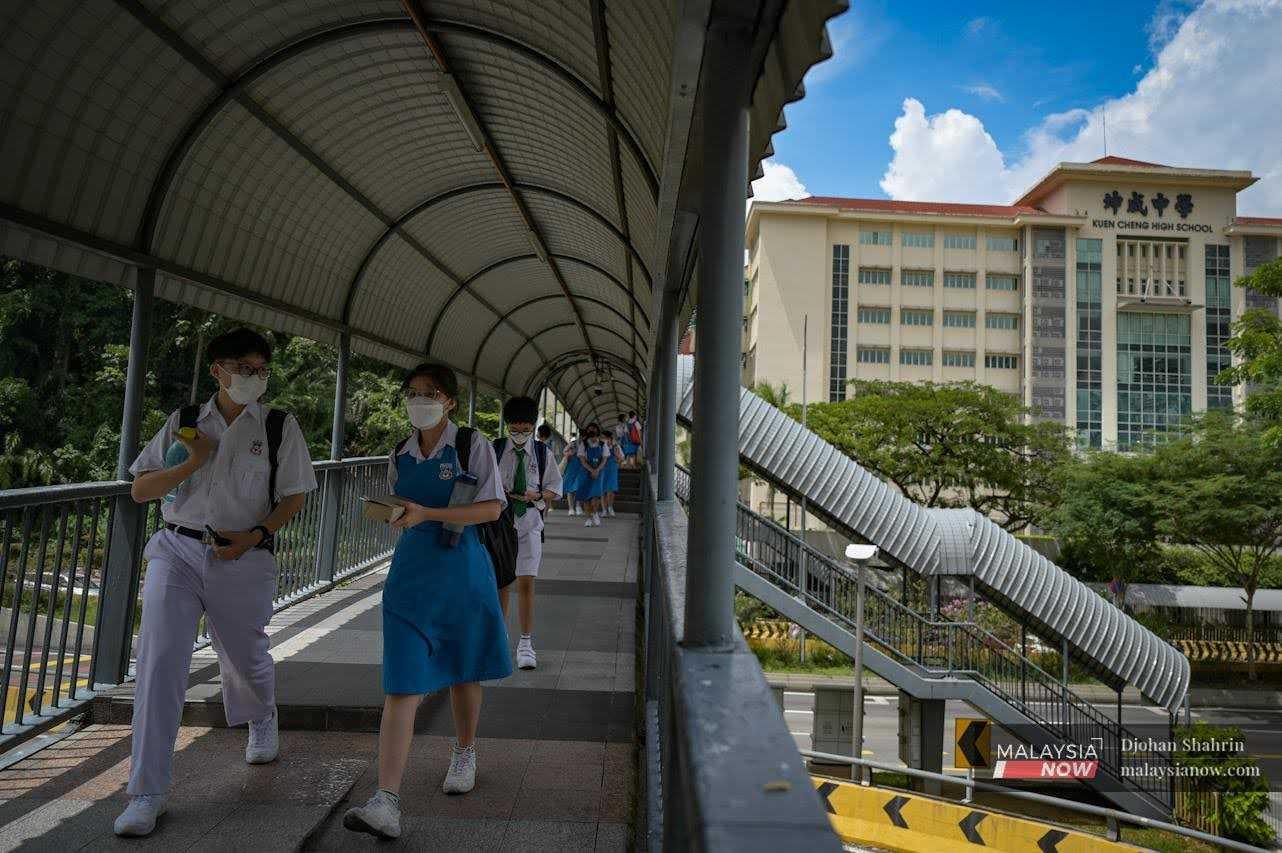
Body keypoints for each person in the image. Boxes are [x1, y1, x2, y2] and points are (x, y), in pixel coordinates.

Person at [114, 328, 317, 837]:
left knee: (245, 654)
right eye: (243, 367)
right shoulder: (185, 423)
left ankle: (261, 714)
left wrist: (256, 535)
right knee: (159, 662)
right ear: (217, 371)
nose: (253, 377)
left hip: (242, 555)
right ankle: (147, 791)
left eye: (261, 370)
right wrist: (195, 460)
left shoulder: (276, 427)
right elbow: (141, 490)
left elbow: (293, 494)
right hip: (176, 550)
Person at [344, 364, 511, 840]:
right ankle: (386, 800)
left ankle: (464, 750)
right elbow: (403, 504)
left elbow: (491, 508)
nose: (421, 401)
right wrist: (394, 512)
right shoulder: (400, 451)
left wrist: (427, 513)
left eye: (430, 393)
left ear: (451, 401)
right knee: (401, 684)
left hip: (461, 571)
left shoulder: (470, 446)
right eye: (413, 394)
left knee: (463, 670)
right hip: (410, 576)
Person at [495, 397, 562, 670]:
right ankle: (499, 641)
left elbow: (555, 489)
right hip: (500, 524)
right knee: (501, 583)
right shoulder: (494, 450)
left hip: (530, 522)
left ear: (533, 426)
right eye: (514, 428)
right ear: (507, 426)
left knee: (526, 582)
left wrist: (537, 494)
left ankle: (525, 643)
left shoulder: (543, 453)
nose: (519, 434)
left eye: (524, 428)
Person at [577, 423, 606, 527]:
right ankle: (588, 518)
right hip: (585, 472)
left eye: (593, 429)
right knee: (586, 497)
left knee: (596, 495)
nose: (591, 431)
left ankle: (595, 513)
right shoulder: (583, 444)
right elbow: (582, 460)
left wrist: (597, 470)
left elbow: (604, 459)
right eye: (589, 430)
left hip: (599, 473)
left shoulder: (602, 444)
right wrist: (592, 470)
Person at [601, 432, 623, 518]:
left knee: (611, 489)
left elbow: (621, 458)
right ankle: (604, 510)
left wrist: (617, 458)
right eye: (604, 439)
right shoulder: (601, 447)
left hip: (612, 469)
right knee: (603, 490)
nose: (606, 441)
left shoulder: (615, 447)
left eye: (607, 439)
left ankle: (610, 507)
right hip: (603, 469)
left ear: (611, 439)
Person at [561, 433, 583, 515]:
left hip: (580, 468)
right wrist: (570, 449)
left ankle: (578, 506)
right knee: (570, 489)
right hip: (570, 468)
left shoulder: (584, 445)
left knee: (578, 487)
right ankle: (571, 508)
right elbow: (564, 452)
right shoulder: (571, 445)